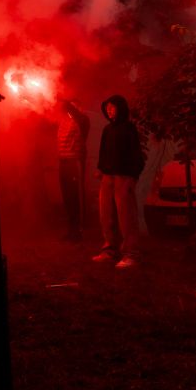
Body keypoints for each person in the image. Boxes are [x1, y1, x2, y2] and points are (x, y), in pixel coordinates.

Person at [93, 94, 144, 269]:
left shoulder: (129, 128)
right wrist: (100, 168)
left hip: (124, 176)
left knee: (126, 216)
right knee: (106, 214)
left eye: (113, 107)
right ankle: (110, 250)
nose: (109, 110)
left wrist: (133, 176)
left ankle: (131, 254)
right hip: (107, 176)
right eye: (107, 107)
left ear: (120, 109)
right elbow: (103, 151)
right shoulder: (107, 130)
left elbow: (136, 154)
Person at [55, 98, 91, 241]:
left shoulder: (82, 120)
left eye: (75, 104)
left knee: (76, 197)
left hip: (75, 162)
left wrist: (67, 104)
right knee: (67, 198)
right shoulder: (62, 120)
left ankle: (79, 231)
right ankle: (72, 229)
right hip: (63, 162)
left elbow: (77, 114)